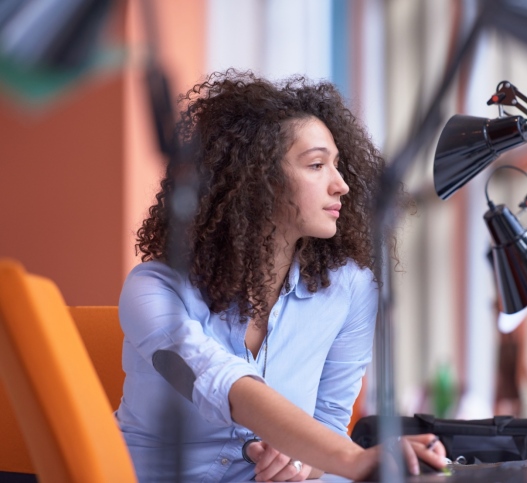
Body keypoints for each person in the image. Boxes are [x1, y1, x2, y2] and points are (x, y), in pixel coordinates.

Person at [117, 70, 446, 482]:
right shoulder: (153, 290)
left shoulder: (350, 289)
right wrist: (352, 459)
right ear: (257, 181)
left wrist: (300, 464)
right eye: (316, 165)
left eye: (338, 166)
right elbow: (216, 381)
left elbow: (328, 418)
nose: (341, 185)